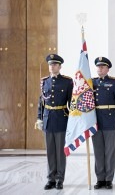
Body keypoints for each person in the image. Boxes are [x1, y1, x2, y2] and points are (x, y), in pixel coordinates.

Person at [35, 54, 73, 190]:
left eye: (55, 64)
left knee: (60, 152)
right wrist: (39, 118)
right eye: (51, 64)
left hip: (62, 118)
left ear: (60, 66)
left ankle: (60, 179)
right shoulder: (44, 81)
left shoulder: (67, 82)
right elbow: (41, 102)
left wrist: (74, 120)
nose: (52, 66)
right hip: (48, 119)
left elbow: (71, 103)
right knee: (50, 151)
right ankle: (51, 178)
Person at [92, 57, 115, 190]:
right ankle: (100, 178)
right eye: (98, 67)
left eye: (102, 67)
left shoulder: (114, 83)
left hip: (110, 120)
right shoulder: (91, 82)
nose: (100, 69)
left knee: (110, 152)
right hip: (95, 121)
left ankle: (108, 179)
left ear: (107, 69)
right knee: (98, 151)